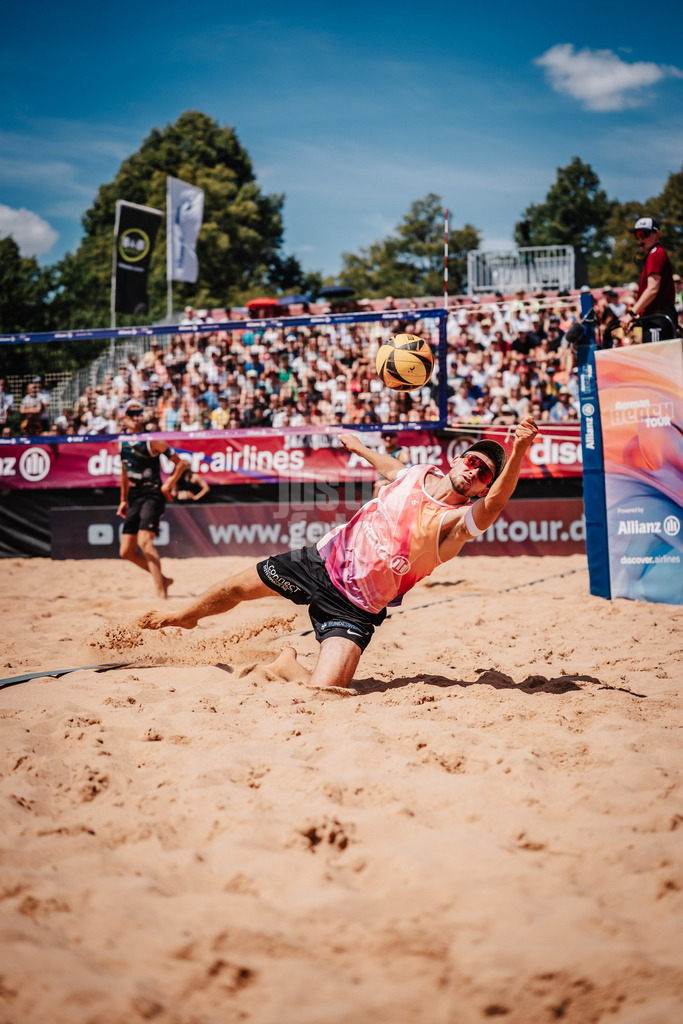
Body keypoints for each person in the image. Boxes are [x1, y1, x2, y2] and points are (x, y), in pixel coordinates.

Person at [137, 417, 539, 690]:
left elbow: (499, 502)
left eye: (484, 473)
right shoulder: (417, 473)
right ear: (456, 459)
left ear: (483, 487)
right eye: (472, 460)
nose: (474, 471)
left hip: (356, 608)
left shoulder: (457, 523)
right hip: (319, 563)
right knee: (237, 587)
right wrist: (360, 447)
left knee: (323, 693)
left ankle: (287, 663)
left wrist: (518, 449)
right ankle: (184, 617)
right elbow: (391, 467)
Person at [117, 400, 188, 599]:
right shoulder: (120, 442)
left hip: (153, 493)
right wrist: (123, 499)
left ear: (143, 416)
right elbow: (124, 471)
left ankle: (160, 594)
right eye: (130, 413)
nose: (134, 416)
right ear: (124, 417)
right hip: (135, 494)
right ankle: (163, 579)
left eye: (138, 412)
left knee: (145, 542)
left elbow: (180, 464)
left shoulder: (151, 441)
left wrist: (168, 484)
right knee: (126, 551)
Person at [620, 217, 677, 343]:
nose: (640, 239)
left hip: (658, 319)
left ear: (657, 235)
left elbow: (652, 289)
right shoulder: (655, 254)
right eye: (637, 235)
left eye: (644, 234)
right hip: (657, 317)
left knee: (656, 361)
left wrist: (631, 314)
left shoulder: (656, 254)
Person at [372, 430, 411, 497]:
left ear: (396, 437)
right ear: (381, 438)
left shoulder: (402, 454)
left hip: (398, 492)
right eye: (385, 436)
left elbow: (408, 477)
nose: (388, 438)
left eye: (391, 435)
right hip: (384, 493)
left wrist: (385, 482)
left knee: (380, 486)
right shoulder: (380, 453)